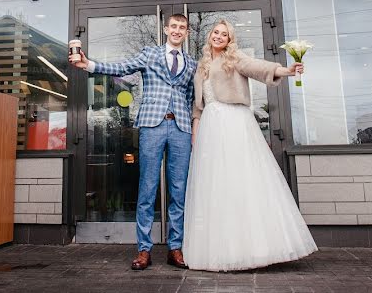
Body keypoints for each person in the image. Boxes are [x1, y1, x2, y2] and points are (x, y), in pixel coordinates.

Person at [183, 19, 317, 272]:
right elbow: (197, 107)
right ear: (209, 35)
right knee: (215, 186)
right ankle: (221, 249)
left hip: (234, 122)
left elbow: (257, 67)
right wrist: (195, 132)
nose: (219, 37)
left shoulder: (235, 58)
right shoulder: (200, 67)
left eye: (224, 34)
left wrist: (286, 71)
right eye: (216, 32)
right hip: (210, 126)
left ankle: (253, 248)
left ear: (229, 39)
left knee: (241, 180)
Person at [70, 14, 196, 271]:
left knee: (179, 191)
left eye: (182, 27)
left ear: (187, 32)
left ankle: (175, 248)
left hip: (181, 128)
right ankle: (144, 250)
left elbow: (191, 97)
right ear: (166, 29)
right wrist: (90, 65)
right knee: (147, 188)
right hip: (152, 125)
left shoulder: (192, 63)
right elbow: (122, 67)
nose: (177, 30)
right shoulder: (150, 54)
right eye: (174, 26)